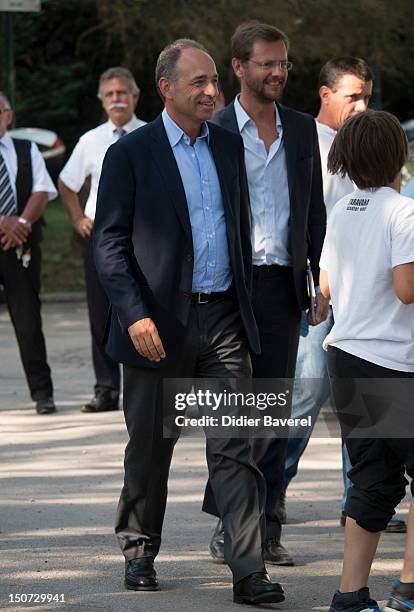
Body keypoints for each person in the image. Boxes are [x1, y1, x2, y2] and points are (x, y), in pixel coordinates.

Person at [93, 39, 285, 605]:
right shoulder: (131, 153)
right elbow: (108, 245)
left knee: (234, 448)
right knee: (151, 447)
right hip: (157, 327)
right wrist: (133, 315)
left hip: (223, 319)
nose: (211, 91)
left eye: (213, 82)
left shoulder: (228, 148)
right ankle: (139, 550)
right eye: (198, 82)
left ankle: (247, 570)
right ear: (166, 89)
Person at [205, 21, 328, 567]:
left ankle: (268, 524)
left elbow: (315, 211)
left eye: (283, 64)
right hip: (232, 286)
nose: (278, 72)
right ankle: (233, 526)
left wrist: (320, 275)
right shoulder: (216, 129)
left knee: (274, 412)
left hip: (283, 284)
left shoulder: (302, 129)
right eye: (266, 64)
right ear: (238, 68)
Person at [279, 57, 406, 534]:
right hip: (322, 287)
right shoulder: (303, 142)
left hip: (367, 294)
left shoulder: (371, 143)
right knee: (306, 392)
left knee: (364, 400)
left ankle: (365, 501)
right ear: (325, 94)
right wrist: (317, 289)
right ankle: (265, 499)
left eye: (367, 97)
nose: (361, 105)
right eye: (353, 95)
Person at [318, 109, 414, 612]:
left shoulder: (343, 210)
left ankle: (351, 595)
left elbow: (326, 289)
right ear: (398, 156)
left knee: (372, 477)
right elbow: (406, 290)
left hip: (346, 357)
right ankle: (410, 585)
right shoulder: (403, 211)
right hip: (393, 364)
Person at [58, 67, 146, 413]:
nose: (116, 100)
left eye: (122, 93)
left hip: (142, 237)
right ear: (101, 100)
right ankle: (106, 389)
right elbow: (67, 183)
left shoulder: (151, 135)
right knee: (101, 315)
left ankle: (146, 388)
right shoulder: (91, 140)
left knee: (144, 310)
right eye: (109, 94)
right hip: (101, 236)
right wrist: (77, 217)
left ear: (135, 96)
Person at [0, 91, 57, 415]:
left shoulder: (26, 148)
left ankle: (42, 393)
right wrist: (2, 222)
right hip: (9, 232)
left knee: (28, 321)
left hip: (21, 246)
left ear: (8, 115)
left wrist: (19, 223)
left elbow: (42, 188)